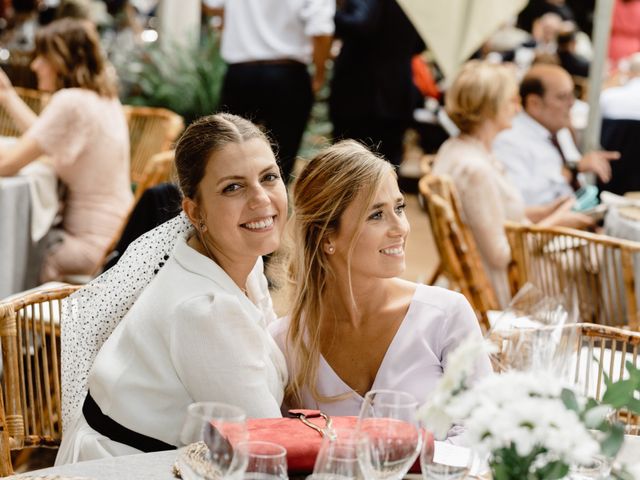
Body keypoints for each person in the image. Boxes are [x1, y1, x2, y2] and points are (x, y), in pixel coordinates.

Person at [56, 113, 288, 463]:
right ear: (195, 212)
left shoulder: (239, 258)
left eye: (268, 177)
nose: (261, 199)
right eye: (233, 187)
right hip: (130, 468)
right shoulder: (205, 309)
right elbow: (268, 451)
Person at [269, 140, 492, 431]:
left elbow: (483, 430)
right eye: (376, 215)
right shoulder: (286, 343)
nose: (401, 228)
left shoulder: (445, 315)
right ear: (327, 237)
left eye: (399, 208)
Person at [433, 61, 592, 307]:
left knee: (588, 255)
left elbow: (491, 217)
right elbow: (500, 255)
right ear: (490, 107)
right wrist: (557, 223)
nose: (518, 109)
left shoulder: (459, 148)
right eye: (511, 101)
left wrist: (545, 212)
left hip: (504, 273)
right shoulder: (476, 169)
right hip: (506, 287)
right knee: (596, 262)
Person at [0, 18, 132, 282]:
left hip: (88, 248)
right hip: (120, 236)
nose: (35, 65)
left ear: (63, 61)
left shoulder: (70, 102)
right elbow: (45, 137)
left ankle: (12, 318)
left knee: (12, 243)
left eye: (43, 57)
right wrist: (7, 96)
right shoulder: (103, 98)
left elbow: (6, 165)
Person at [210, 0, 334, 183]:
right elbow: (321, 31)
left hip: (240, 75)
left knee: (229, 157)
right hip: (287, 76)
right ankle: (273, 208)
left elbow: (211, 5)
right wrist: (320, 73)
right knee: (281, 163)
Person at [493, 64, 620, 207]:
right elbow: (520, 201)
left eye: (573, 94)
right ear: (534, 103)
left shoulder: (558, 131)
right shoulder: (509, 139)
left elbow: (578, 182)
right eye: (562, 97)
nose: (571, 103)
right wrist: (572, 170)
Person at [329, 0, 425, 167]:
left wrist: (325, 13)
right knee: (387, 166)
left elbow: (360, 23)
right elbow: (420, 43)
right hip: (397, 93)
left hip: (359, 95)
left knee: (348, 167)